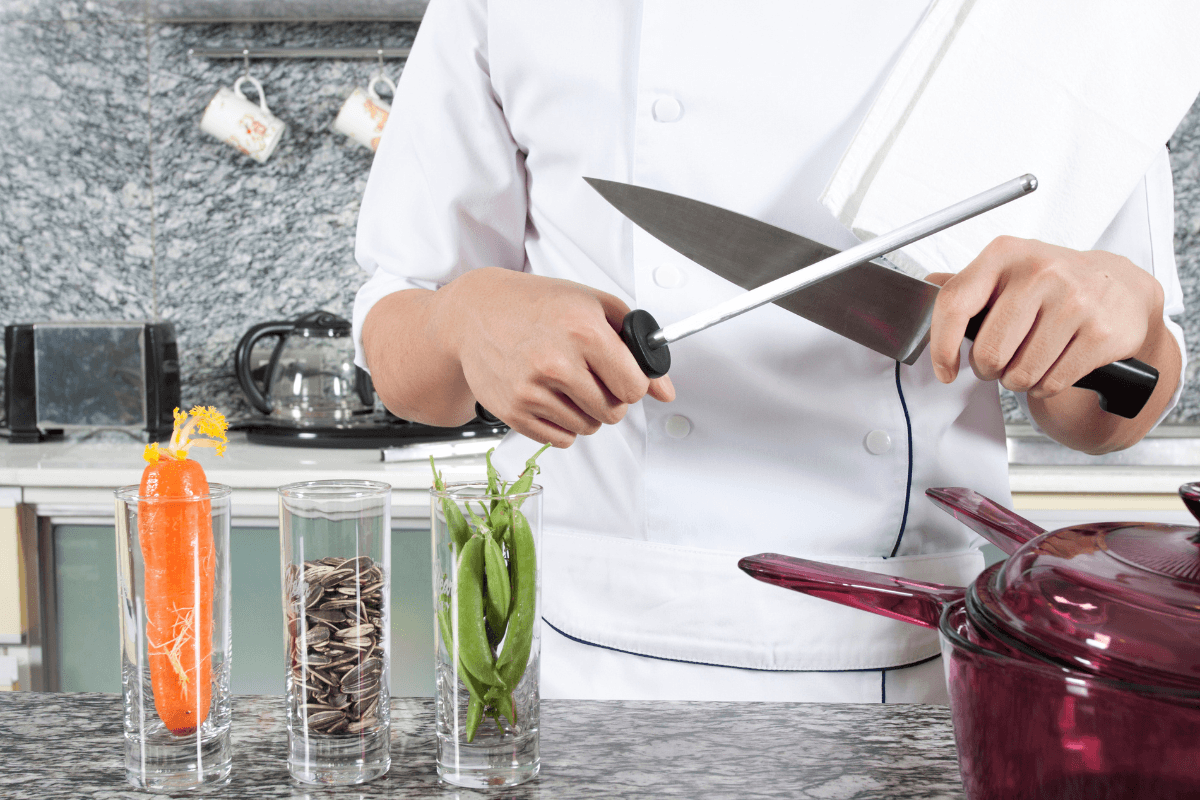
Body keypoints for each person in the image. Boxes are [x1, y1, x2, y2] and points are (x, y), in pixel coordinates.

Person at [352, 0, 1191, 702]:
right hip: (597, 661)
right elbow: (403, 361)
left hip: (917, 655)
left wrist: (1114, 322)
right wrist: (462, 317)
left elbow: (1113, 410)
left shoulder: (1076, 12)